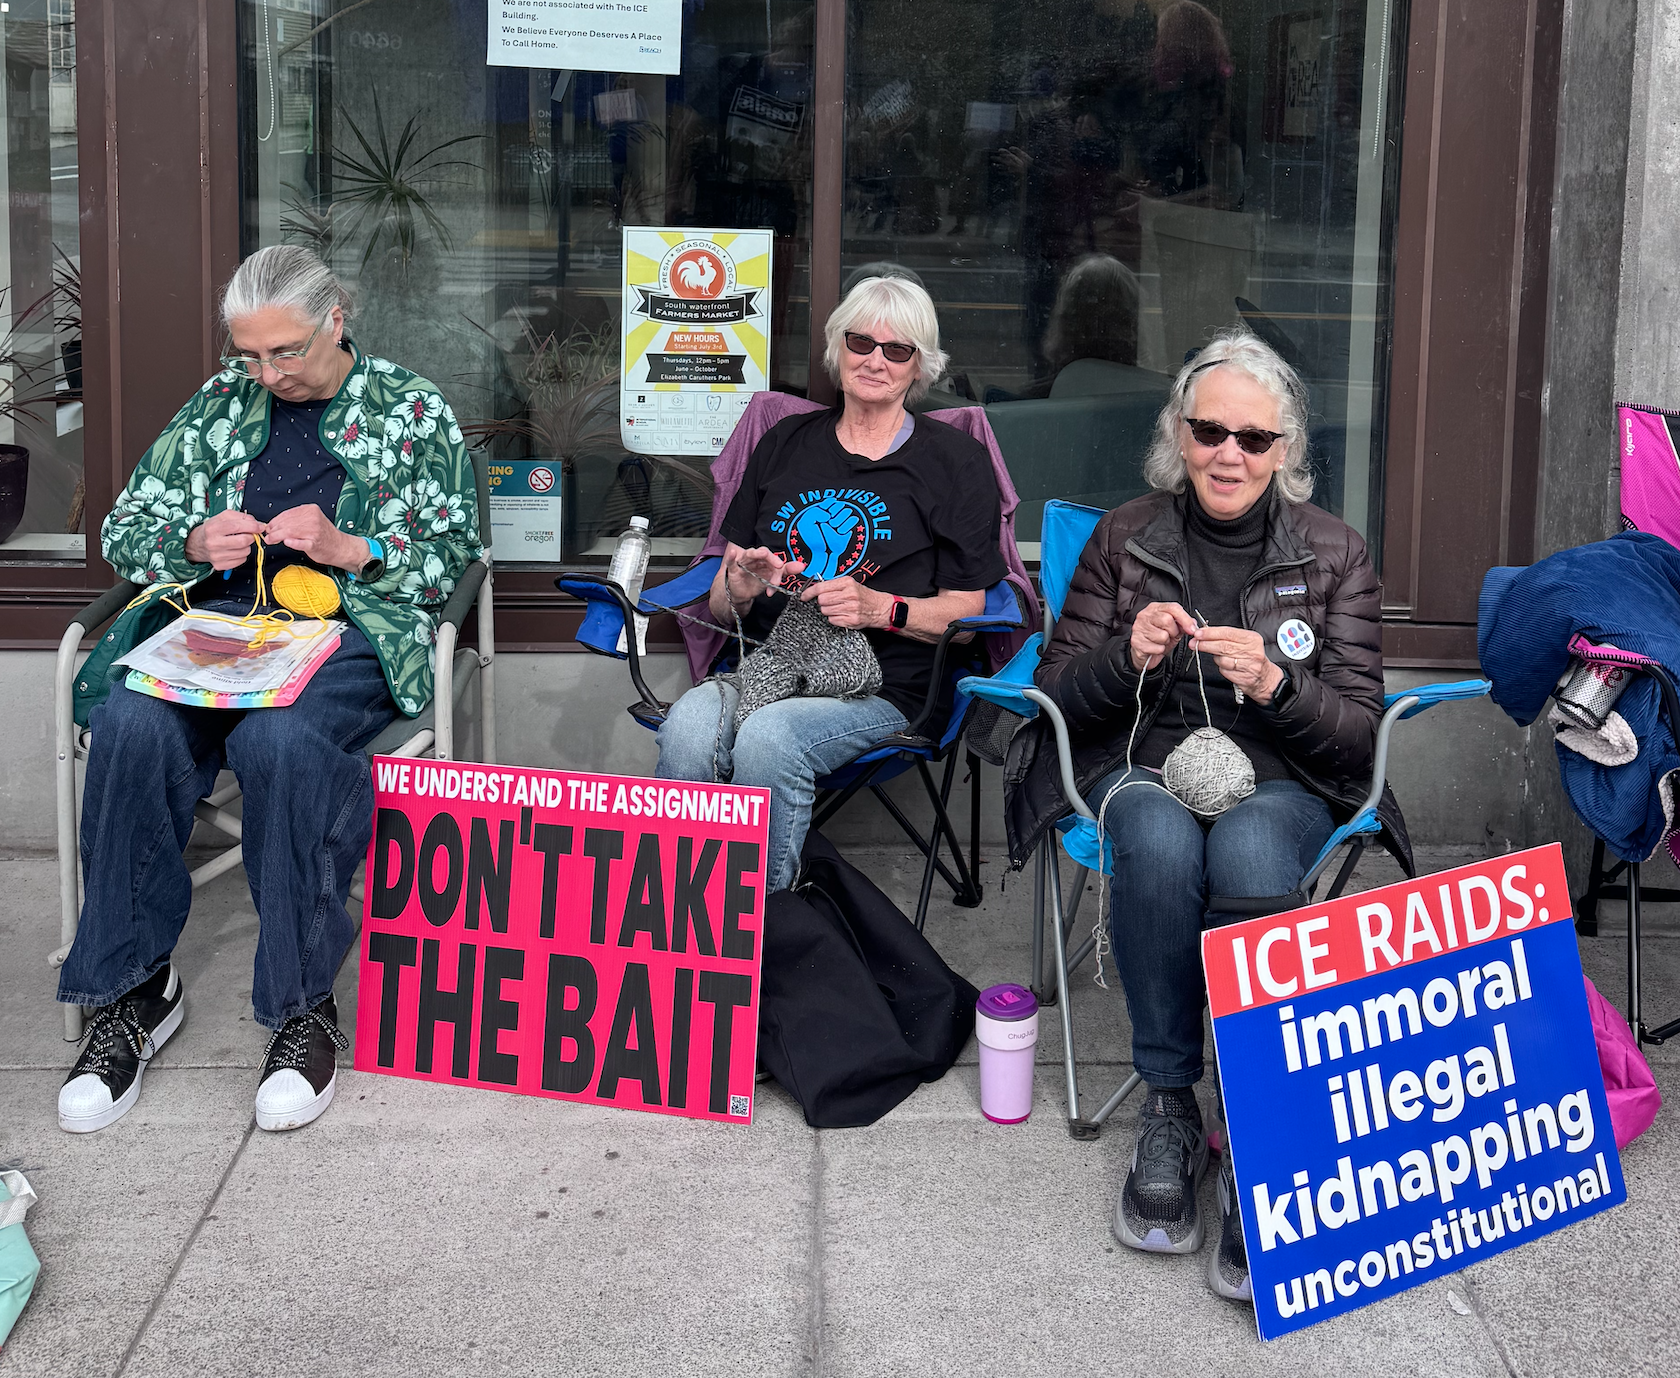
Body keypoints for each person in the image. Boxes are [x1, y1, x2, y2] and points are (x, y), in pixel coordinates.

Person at [56, 245, 482, 1134]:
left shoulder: (412, 409)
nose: (267, 373)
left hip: (347, 628)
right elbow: (127, 524)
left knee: (278, 740)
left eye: (285, 351)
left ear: (338, 317)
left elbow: (452, 561)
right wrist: (190, 544)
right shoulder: (219, 404)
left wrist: (349, 548)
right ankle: (135, 992)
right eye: (250, 354)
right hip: (215, 628)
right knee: (130, 722)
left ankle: (300, 1008)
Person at [1006, 327, 1389, 1303]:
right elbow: (1055, 693)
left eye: (1254, 439)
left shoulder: (1337, 554)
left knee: (1254, 845)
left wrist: (1278, 686)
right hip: (1141, 763)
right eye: (1210, 430)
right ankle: (1172, 1102)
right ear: (1180, 434)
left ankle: (1259, 1125)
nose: (1229, 453)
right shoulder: (1125, 536)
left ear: (1285, 451)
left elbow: (1357, 738)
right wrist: (1123, 657)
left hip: (1286, 778)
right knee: (1157, 835)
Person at [656, 275, 1006, 893]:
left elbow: (967, 609)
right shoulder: (784, 441)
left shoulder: (954, 461)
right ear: (836, 348)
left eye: (897, 350)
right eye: (861, 341)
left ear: (920, 366)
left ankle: (770, 931)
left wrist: (879, 608)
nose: (875, 359)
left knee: (768, 738)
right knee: (686, 724)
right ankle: (684, 926)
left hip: (887, 687)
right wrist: (738, 583)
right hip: (766, 667)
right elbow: (718, 600)